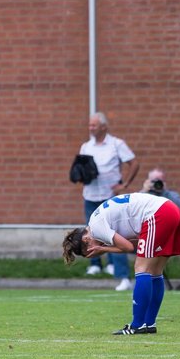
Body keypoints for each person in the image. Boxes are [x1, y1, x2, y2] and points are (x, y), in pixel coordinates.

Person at [61, 191, 180, 335]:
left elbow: (127, 247)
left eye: (90, 251)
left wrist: (102, 248)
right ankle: (149, 323)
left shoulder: (95, 228)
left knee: (141, 268)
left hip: (157, 214)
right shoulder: (96, 219)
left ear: (86, 241)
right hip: (170, 209)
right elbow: (130, 240)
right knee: (155, 271)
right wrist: (103, 248)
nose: (95, 249)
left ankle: (137, 325)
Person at [78, 112, 140, 291]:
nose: (91, 128)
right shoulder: (86, 146)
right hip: (90, 195)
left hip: (109, 198)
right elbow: (81, 167)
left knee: (115, 235)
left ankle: (122, 275)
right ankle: (95, 264)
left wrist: (125, 184)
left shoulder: (116, 144)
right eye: (90, 125)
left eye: (94, 125)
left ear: (104, 127)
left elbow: (134, 163)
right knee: (90, 233)